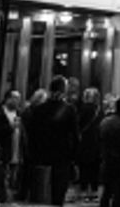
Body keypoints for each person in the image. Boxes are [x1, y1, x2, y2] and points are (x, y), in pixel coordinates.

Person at [26, 75, 81, 206]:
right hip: (62, 156)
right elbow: (75, 135)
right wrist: (74, 157)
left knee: (40, 194)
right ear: (64, 90)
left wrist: (32, 153)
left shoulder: (39, 109)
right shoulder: (69, 109)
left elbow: (32, 133)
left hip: (42, 155)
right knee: (58, 193)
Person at [0, 90, 25, 200]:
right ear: (7, 98)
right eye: (15, 98)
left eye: (19, 98)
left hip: (16, 149)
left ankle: (5, 195)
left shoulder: (19, 113)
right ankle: (1, 196)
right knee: (2, 175)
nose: (18, 101)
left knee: (12, 177)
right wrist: (10, 127)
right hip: (3, 149)